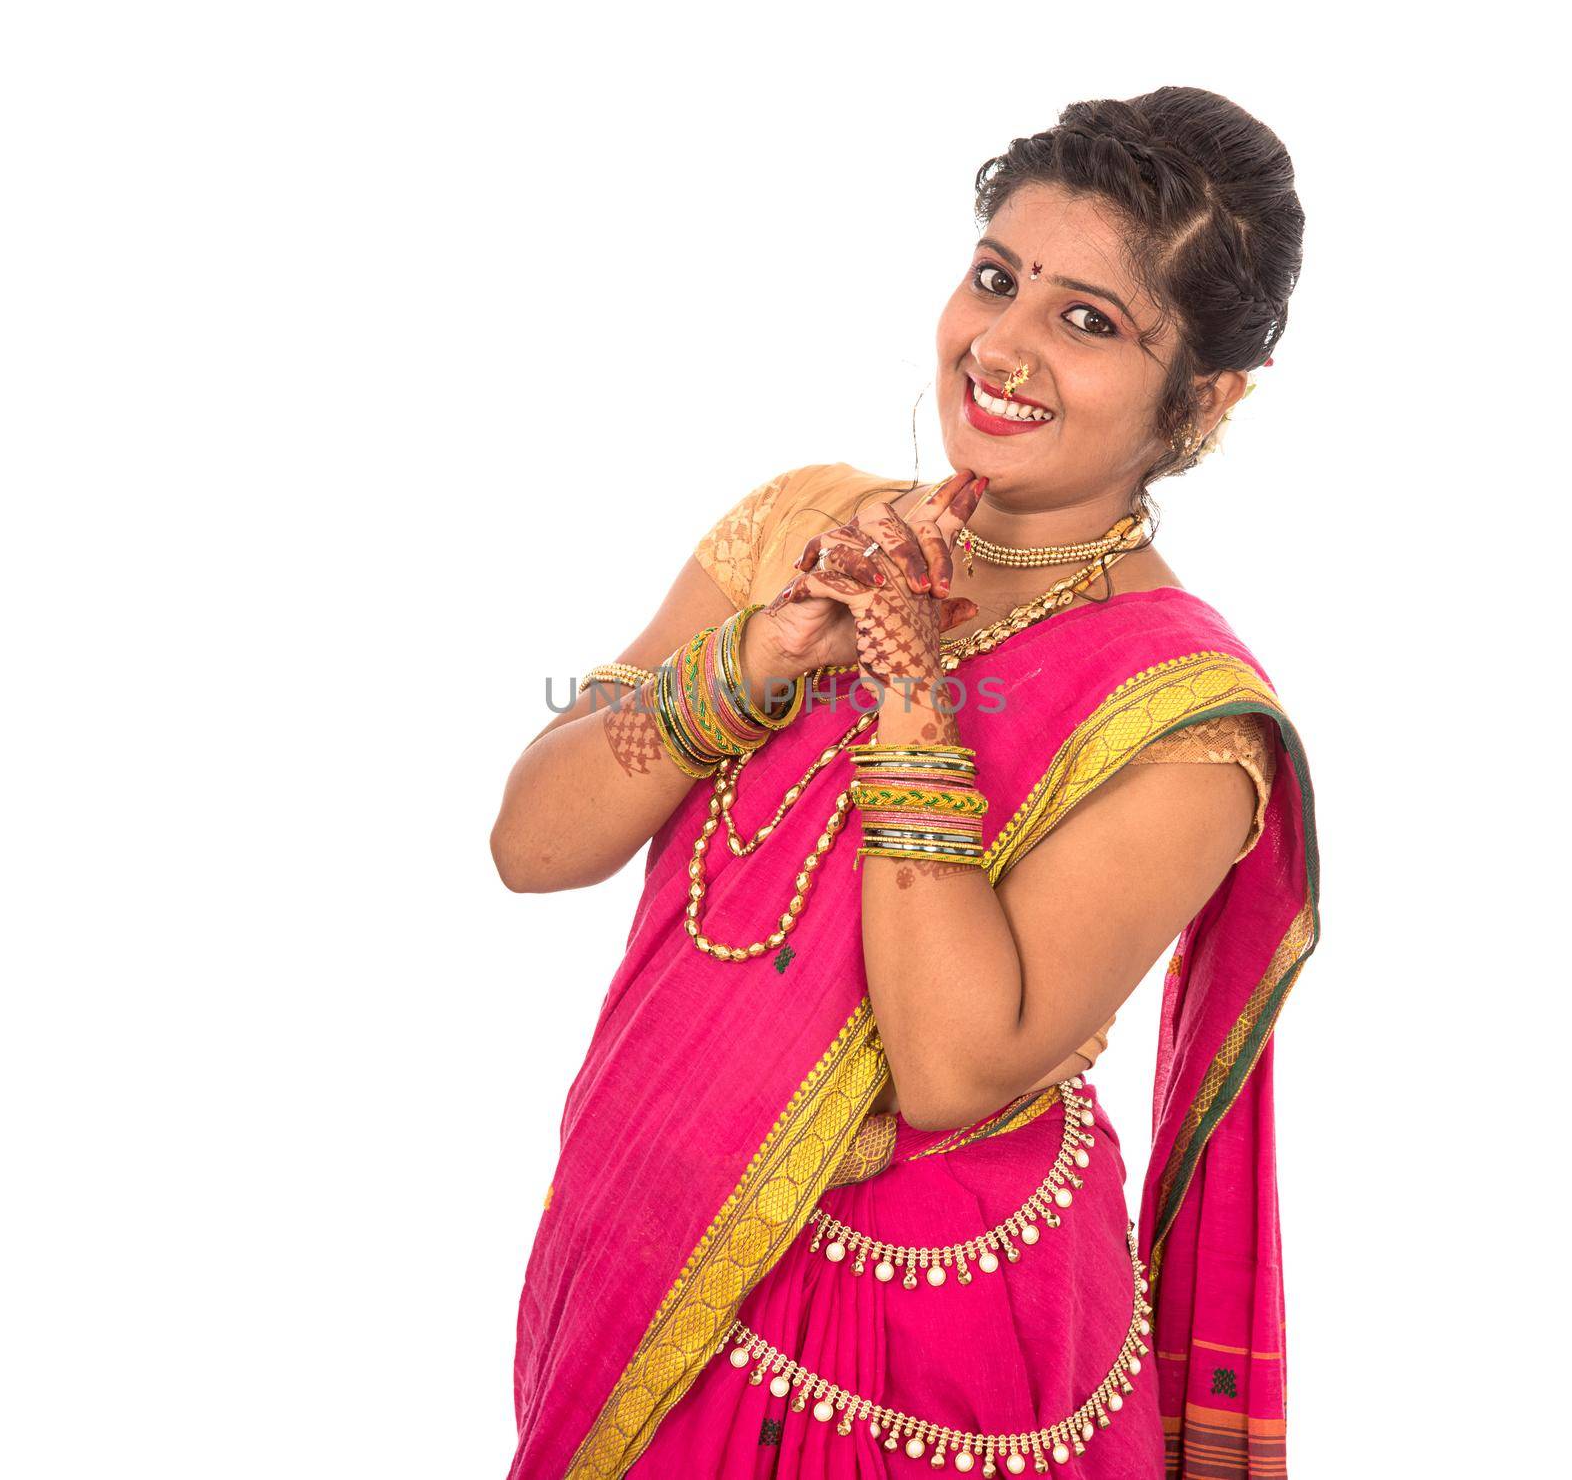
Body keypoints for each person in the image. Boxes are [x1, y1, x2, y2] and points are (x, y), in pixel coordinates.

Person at [492, 86, 1317, 1480]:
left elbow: (950, 1068)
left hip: (925, 1350)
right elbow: (534, 838)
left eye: (1089, 320)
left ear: (1207, 398)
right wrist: (759, 653)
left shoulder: (1183, 723)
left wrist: (908, 686)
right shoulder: (806, 523)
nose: (1000, 345)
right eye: (998, 278)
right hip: (649, 1240)